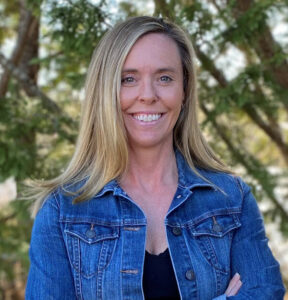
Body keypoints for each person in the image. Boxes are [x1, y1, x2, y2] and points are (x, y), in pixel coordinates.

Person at [25, 16, 285, 300]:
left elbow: (266, 293)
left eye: (164, 78)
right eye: (129, 79)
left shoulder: (231, 198)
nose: (147, 95)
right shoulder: (61, 212)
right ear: (105, 91)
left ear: (184, 91)